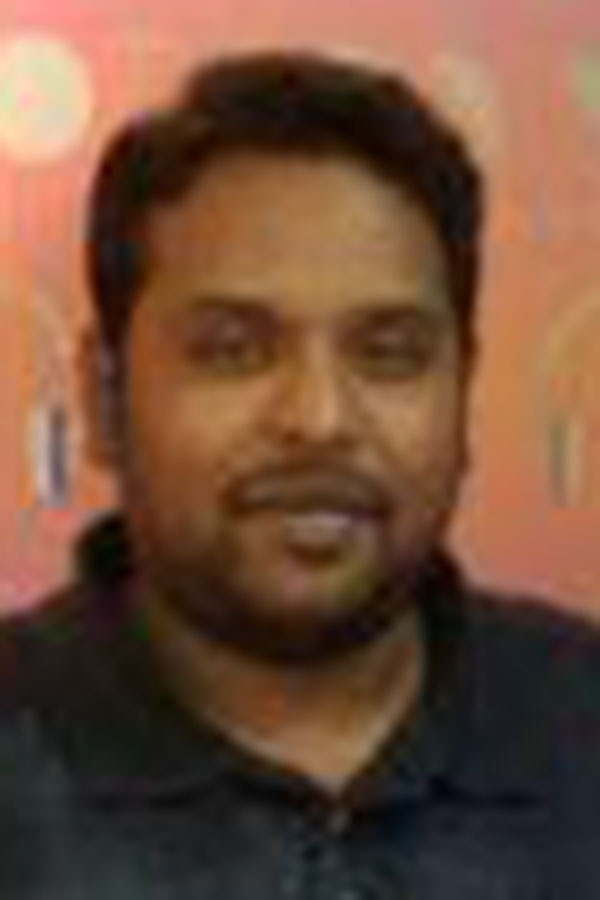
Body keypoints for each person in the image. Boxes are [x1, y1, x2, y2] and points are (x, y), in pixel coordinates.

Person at [1, 49, 600, 898]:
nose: (320, 419)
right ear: (104, 400)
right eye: (232, 350)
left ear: (462, 394)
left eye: (389, 354)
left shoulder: (579, 720)